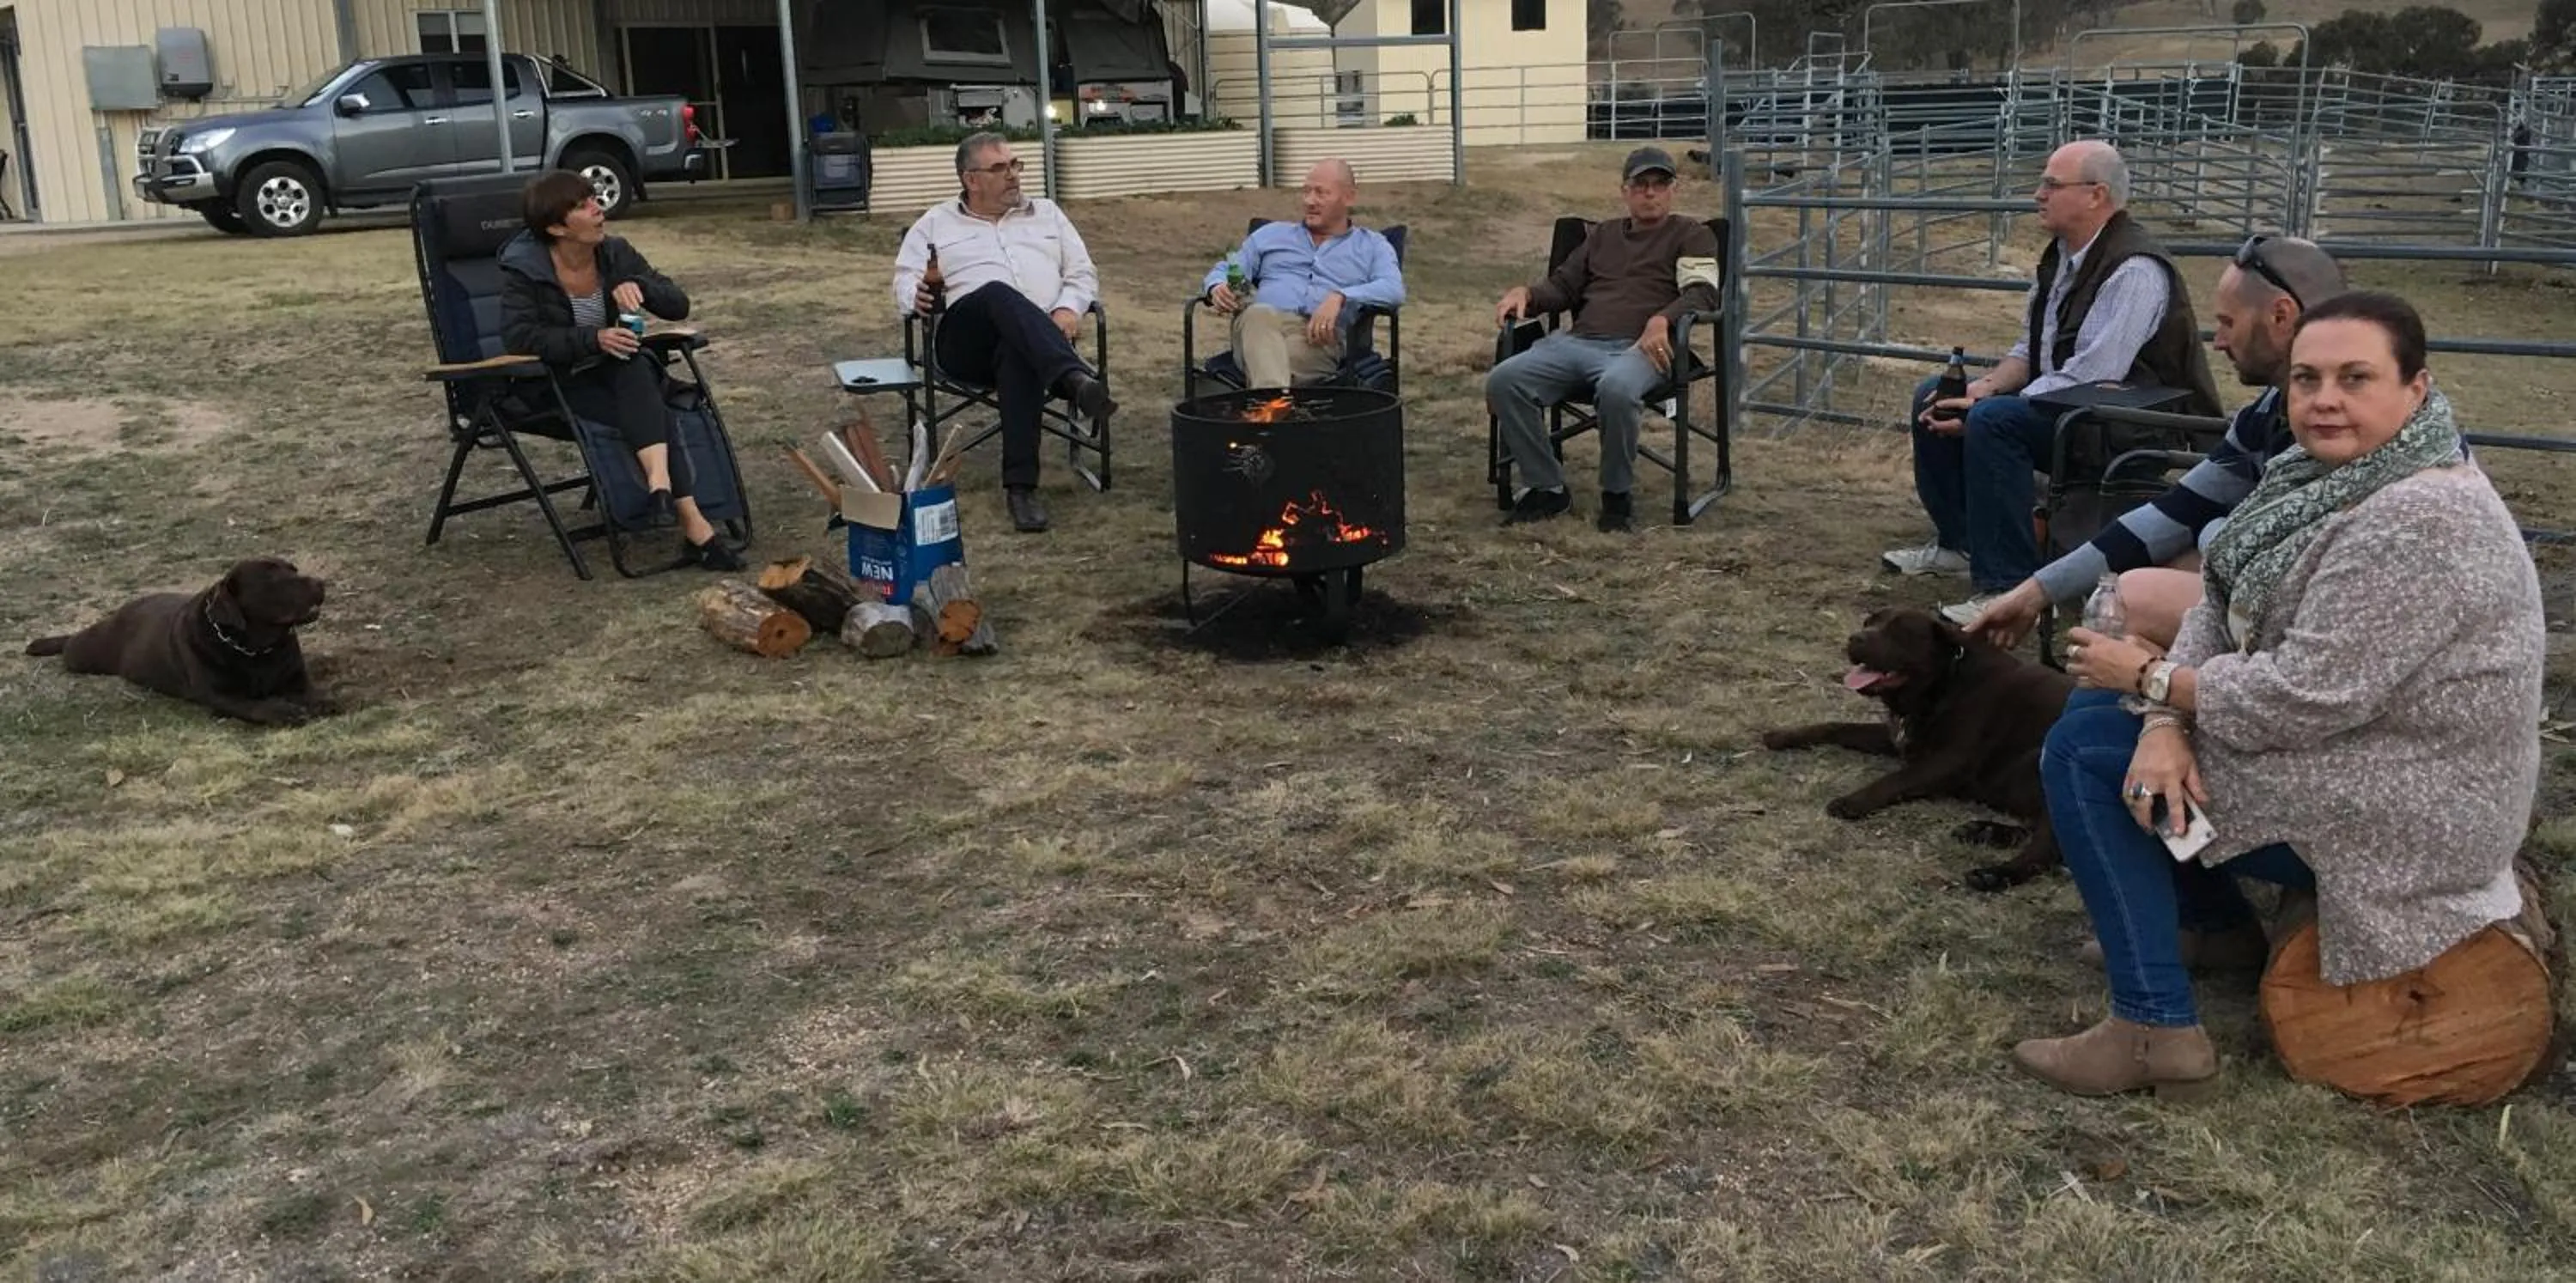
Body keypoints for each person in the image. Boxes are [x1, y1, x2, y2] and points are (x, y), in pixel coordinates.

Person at [2015, 291, 2543, 1098]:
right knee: (2098, 717)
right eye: (2307, 379)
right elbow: (2222, 605)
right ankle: (2215, 924)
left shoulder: (2423, 517)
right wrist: (2162, 718)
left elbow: (2302, 699)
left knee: (2087, 752)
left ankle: (2155, 1028)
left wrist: (2151, 679)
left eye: (2355, 378)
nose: (2324, 399)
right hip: (2367, 756)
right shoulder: (2328, 475)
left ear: (2418, 388)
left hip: (2417, 805)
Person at [1882, 140, 2223, 623]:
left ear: (2095, 195)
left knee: (1996, 422)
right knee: (1938, 396)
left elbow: (2093, 373)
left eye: (2051, 184)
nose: (2037, 194)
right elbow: (2030, 350)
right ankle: (1958, 544)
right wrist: (1983, 389)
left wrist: (1988, 409)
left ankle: (2005, 584)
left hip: (2127, 422)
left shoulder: (2135, 269)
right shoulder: (2063, 257)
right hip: (2078, 408)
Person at [1966, 235, 2349, 651]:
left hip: (2319, 631)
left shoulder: (2340, 428)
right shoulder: (2269, 413)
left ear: (2281, 315)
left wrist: (2210, 537)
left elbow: (2282, 562)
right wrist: (2034, 592)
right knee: (2155, 567)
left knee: (2132, 597)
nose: (2218, 342)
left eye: (2228, 323)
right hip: (2272, 612)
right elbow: (2175, 511)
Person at [499, 169, 744, 571]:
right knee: (652, 409)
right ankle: (692, 523)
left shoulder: (615, 254)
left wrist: (640, 288)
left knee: (634, 367)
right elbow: (520, 337)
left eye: (594, 198)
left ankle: (662, 488)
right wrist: (593, 339)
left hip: (624, 375)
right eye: (582, 206)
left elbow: (678, 305)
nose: (597, 208)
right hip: (563, 384)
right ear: (557, 227)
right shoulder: (526, 269)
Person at [1486, 145, 1722, 533]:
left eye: (1659, 184)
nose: (1650, 192)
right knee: (1505, 379)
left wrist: (1663, 319)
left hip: (1643, 348)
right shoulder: (1602, 236)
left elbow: (1702, 293)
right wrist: (1526, 294)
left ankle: (1616, 497)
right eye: (1640, 184)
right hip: (1580, 342)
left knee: (1616, 387)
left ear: (1673, 190)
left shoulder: (1692, 235)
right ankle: (1547, 487)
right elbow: (1562, 286)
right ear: (1624, 191)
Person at [890, 131, 1115, 534]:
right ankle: (1072, 379)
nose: (1012, 175)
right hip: (964, 342)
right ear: (970, 179)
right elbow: (905, 280)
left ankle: (1021, 490)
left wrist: (1067, 308)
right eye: (1000, 168)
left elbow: (1082, 273)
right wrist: (916, 295)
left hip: (1036, 342)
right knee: (997, 292)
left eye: (1015, 165)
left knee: (1018, 351)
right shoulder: (936, 222)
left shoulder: (1047, 214)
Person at [1199, 159, 1406, 390]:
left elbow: (1393, 289)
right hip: (1258, 328)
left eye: (1321, 193)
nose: (1310, 201)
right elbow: (1227, 269)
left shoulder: (1373, 245)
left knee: (1271, 360)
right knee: (1258, 314)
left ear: (1349, 197)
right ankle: (1274, 405)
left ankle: (1269, 405)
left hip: (1318, 341)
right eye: (1306, 191)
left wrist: (1340, 296)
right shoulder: (1270, 236)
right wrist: (1216, 286)